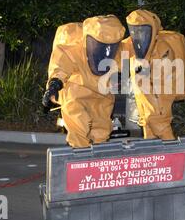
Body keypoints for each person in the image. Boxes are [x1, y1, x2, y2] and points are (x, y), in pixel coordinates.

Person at [42, 15, 125, 148]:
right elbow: (61, 67)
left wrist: (119, 75)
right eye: (102, 45)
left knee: (102, 129)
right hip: (77, 94)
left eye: (111, 46)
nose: (107, 51)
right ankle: (80, 157)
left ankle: (97, 159)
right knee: (79, 125)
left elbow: (121, 61)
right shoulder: (72, 50)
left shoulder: (117, 49)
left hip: (102, 94)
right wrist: (54, 85)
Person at [122, 9, 185, 140]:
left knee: (159, 122)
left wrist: (145, 72)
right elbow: (116, 53)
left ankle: (171, 149)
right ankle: (153, 153)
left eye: (142, 30)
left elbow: (161, 77)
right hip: (143, 97)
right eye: (134, 29)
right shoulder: (132, 45)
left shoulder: (162, 47)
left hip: (159, 95)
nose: (137, 33)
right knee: (148, 124)